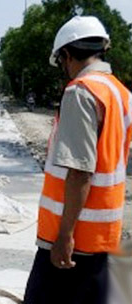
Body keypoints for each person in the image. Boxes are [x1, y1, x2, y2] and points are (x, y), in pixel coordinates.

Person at [24, 16, 132, 304]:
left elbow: (80, 172)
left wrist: (64, 236)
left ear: (67, 55)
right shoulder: (120, 93)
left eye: (62, 62)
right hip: (103, 235)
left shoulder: (80, 91)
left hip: (72, 242)